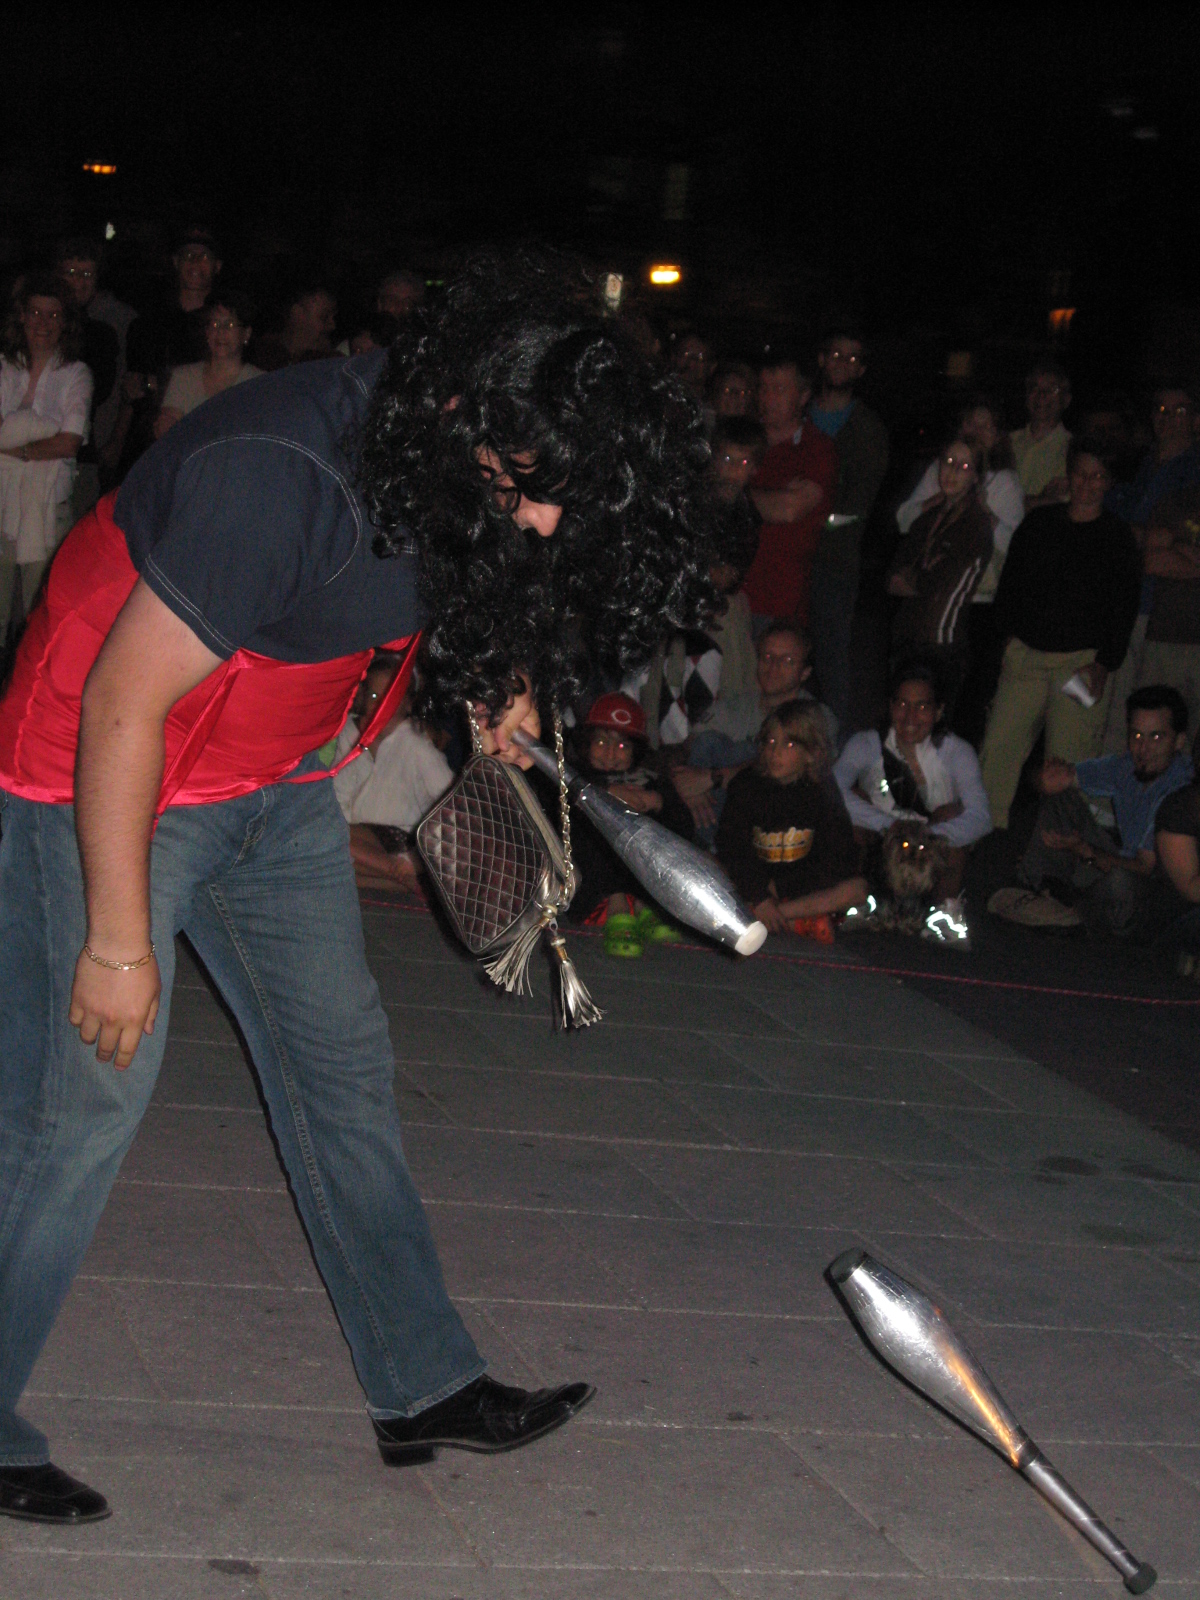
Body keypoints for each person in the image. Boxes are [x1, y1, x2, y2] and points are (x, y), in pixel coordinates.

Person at [0, 249, 717, 1524]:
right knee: (80, 1106)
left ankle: (422, 1381)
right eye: (537, 491)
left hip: (269, 781)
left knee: (341, 1068)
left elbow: (442, 574)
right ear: (474, 415)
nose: (547, 524)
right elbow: (120, 704)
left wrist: (490, 677)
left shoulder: (471, 454)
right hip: (103, 771)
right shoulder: (279, 472)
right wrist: (117, 942)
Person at [979, 440, 1142, 829]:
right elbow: (1011, 585)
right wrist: (1006, 639)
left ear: (1109, 482)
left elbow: (1123, 605)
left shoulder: (1117, 536)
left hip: (1080, 662)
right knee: (999, 745)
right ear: (1069, 475)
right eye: (1081, 474)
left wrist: (1104, 663)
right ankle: (982, 828)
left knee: (1070, 760)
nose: (1087, 483)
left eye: (1097, 476)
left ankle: (1060, 841)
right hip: (1026, 655)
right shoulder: (1039, 524)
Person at [989, 686, 1191, 937]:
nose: (1143, 748)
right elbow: (1061, 779)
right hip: (1119, 862)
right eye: (1137, 736)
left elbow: (1144, 868)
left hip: (1157, 889)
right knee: (1062, 799)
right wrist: (1046, 778)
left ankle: (1065, 912)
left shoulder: (1180, 790)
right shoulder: (1128, 766)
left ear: (1179, 741)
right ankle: (1042, 890)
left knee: (1120, 885)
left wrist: (1085, 850)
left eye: (1156, 737)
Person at [897, 398, 1024, 742]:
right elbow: (905, 520)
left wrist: (980, 509)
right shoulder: (942, 475)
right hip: (925, 612)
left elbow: (1013, 543)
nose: (977, 431)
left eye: (986, 425)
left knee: (961, 707)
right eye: (971, 422)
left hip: (976, 607)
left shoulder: (1002, 483)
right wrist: (940, 501)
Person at [835, 657, 991, 936]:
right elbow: (832, 789)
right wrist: (890, 827)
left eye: (922, 707)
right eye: (903, 704)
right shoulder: (867, 743)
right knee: (851, 803)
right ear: (891, 706)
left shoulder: (957, 752)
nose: (910, 716)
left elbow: (981, 816)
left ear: (938, 711)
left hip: (929, 850)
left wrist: (928, 836)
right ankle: (860, 902)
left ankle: (944, 913)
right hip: (882, 842)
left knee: (953, 814)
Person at [716, 699, 866, 941]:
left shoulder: (821, 793)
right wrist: (759, 893)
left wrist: (780, 888)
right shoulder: (746, 785)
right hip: (752, 883)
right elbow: (732, 845)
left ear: (811, 753)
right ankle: (790, 920)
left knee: (856, 889)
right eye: (771, 742)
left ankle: (769, 917)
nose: (775, 753)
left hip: (796, 889)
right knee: (707, 864)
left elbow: (836, 857)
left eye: (789, 744)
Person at [0, 274, 93, 643]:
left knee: (40, 619)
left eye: (53, 315)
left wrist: (15, 449)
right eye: (35, 313)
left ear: (64, 322)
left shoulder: (76, 374)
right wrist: (40, 438)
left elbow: (68, 442)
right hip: (1, 502)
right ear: (22, 317)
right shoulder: (4, 367)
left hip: (49, 508)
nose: (43, 323)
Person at [565, 693, 692, 957]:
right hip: (594, 884)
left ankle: (645, 905)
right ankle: (617, 906)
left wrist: (657, 801)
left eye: (622, 746)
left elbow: (685, 825)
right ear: (587, 744)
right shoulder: (575, 774)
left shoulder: (651, 779)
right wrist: (605, 793)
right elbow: (557, 804)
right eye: (601, 742)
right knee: (595, 825)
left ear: (635, 751)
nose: (611, 753)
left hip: (645, 878)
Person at [808, 322, 890, 728]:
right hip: (782, 559)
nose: (843, 363)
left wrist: (811, 522)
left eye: (852, 358)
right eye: (836, 354)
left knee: (830, 659)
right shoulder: (795, 415)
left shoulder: (868, 430)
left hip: (834, 563)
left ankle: (831, 744)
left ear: (861, 370)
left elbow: (858, 509)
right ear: (822, 359)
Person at [108, 227, 224, 479]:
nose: (196, 263)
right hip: (146, 443)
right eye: (189, 256)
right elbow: (132, 389)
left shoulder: (224, 330)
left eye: (204, 257)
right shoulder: (148, 322)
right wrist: (116, 441)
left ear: (217, 266)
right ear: (176, 263)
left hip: (199, 442)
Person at [740, 351, 838, 627]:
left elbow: (789, 508)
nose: (767, 398)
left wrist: (733, 494)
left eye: (779, 389)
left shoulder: (817, 449)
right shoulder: (741, 439)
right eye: (763, 388)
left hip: (779, 602)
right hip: (729, 596)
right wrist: (770, 499)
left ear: (804, 396)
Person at [886, 436, 993, 677]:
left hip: (940, 642)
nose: (952, 472)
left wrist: (914, 578)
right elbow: (893, 575)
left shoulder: (974, 524)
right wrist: (915, 577)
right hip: (905, 635)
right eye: (949, 461)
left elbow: (939, 583)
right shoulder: (926, 519)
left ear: (976, 477)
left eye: (964, 466)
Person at [52, 238, 120, 520]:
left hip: (79, 457)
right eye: (71, 272)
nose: (78, 282)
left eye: (87, 274)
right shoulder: (32, 328)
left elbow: (99, 392)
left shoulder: (101, 335)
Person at [153, 293, 262, 437]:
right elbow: (167, 432)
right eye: (215, 324)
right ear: (207, 332)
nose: (221, 331)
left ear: (246, 333)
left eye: (229, 325)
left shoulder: (260, 383)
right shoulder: (184, 377)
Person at [1010, 359, 1072, 507]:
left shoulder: (1073, 449)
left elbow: (1061, 505)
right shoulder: (1007, 442)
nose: (1042, 395)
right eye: (1034, 388)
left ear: (1066, 400)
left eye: (1052, 389)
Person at [252, 283, 338, 371]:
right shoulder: (261, 354)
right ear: (297, 314)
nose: (332, 326)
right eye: (324, 317)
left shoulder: (335, 365)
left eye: (333, 318)